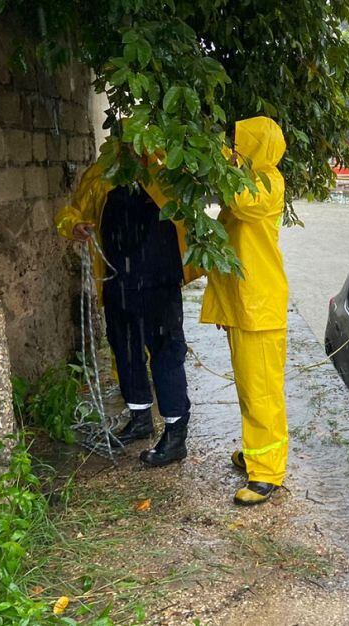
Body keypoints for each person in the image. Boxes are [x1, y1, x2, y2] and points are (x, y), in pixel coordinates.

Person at [55, 155, 204, 467]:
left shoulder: (167, 173)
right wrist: (75, 226)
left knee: (166, 353)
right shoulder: (102, 173)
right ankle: (140, 419)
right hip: (118, 282)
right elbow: (73, 212)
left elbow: (193, 220)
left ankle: (176, 435)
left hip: (160, 282)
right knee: (124, 352)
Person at [200, 116, 291, 506]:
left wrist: (218, 158)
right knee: (248, 388)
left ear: (255, 148)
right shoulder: (250, 179)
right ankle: (257, 451)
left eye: (239, 144)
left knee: (262, 393)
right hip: (246, 306)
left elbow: (239, 200)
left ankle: (268, 472)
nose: (233, 150)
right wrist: (226, 307)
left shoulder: (267, 182)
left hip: (261, 306)